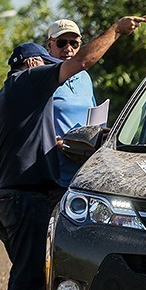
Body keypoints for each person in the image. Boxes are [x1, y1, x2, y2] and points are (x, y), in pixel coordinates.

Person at [0, 16, 146, 290]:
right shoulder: (31, 81)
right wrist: (116, 31)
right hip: (25, 197)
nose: (62, 55)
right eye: (51, 52)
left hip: (5, 197)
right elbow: (83, 61)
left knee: (28, 273)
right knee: (27, 276)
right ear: (35, 62)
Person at [44, 19, 95, 211]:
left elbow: (92, 114)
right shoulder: (44, 75)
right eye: (61, 42)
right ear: (49, 44)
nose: (68, 48)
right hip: (55, 177)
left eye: (74, 43)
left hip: (83, 173)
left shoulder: (84, 76)